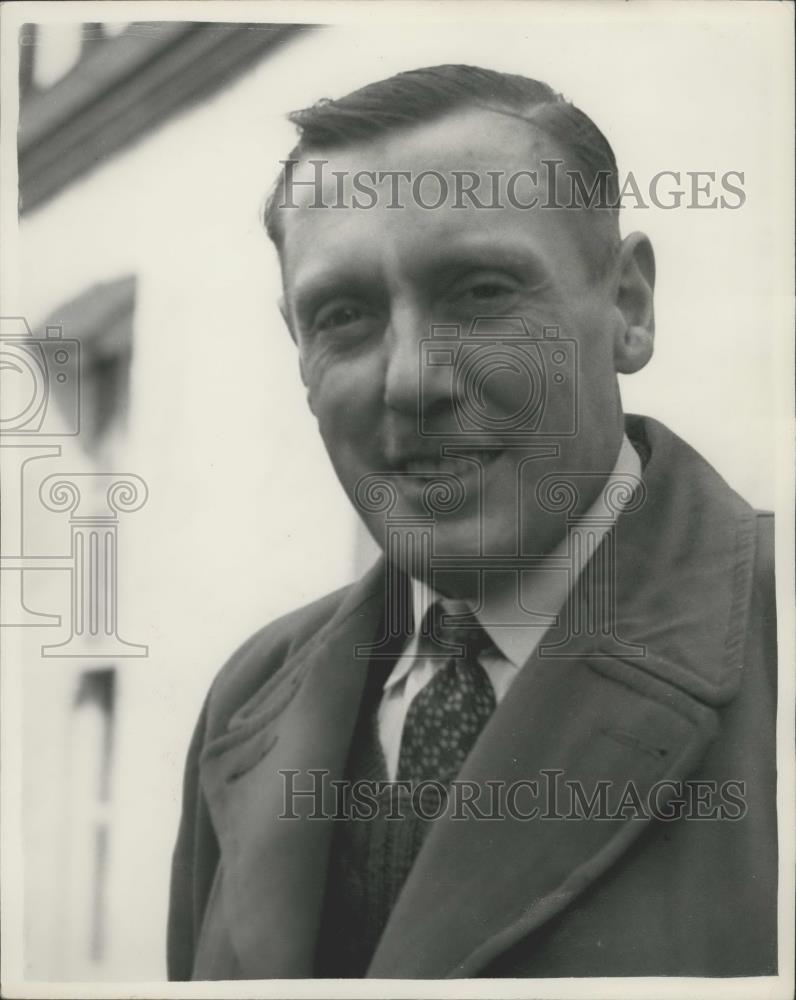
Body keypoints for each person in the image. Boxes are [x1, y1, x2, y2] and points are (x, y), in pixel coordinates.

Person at [167, 65, 777, 980]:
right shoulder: (254, 691)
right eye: (342, 316)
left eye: (482, 292)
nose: (412, 378)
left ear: (628, 307)